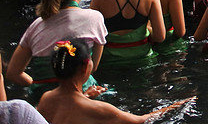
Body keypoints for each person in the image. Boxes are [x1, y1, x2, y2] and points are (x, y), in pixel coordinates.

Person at [35, 40, 193, 124]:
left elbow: (68, 110)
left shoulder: (46, 99)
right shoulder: (98, 109)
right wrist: (179, 104)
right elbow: (142, 120)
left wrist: (84, 96)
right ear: (84, 67)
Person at [6, 0, 107, 93]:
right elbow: (93, 67)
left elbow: (13, 73)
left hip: (43, 95)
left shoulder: (36, 26)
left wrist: (37, 85)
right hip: (81, 92)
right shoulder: (94, 18)